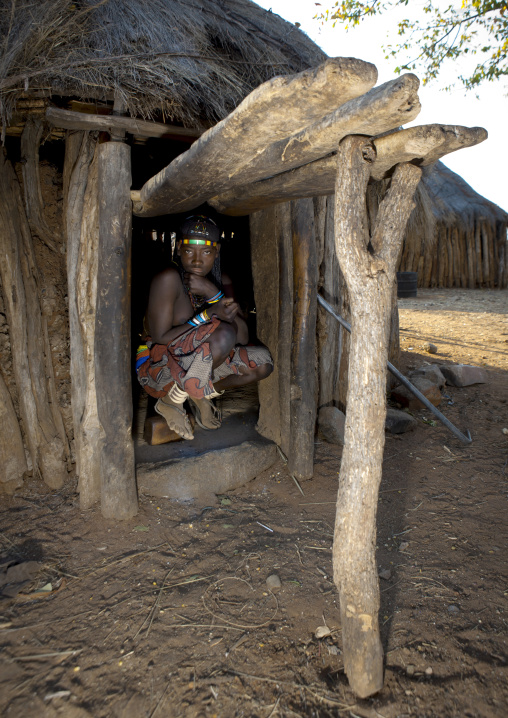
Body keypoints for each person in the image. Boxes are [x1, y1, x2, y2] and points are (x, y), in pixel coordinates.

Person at [136, 215, 273, 440]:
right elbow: (160, 338)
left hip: (198, 364)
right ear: (179, 248)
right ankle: (172, 400)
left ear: (216, 251)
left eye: (207, 252)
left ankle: (199, 393)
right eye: (190, 251)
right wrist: (207, 315)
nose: (197, 260)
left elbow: (243, 336)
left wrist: (212, 292)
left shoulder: (217, 281)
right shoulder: (168, 278)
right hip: (159, 367)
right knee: (223, 334)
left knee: (262, 365)